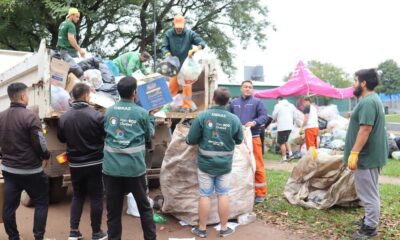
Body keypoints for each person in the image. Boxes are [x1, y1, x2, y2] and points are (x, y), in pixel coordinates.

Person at [102, 77, 156, 240]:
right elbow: (150, 135)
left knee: (114, 211)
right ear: (134, 92)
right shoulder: (142, 113)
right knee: (144, 208)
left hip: (111, 170)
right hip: (135, 170)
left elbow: (105, 131)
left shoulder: (109, 111)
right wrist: (151, 116)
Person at [186, 88, 243, 238]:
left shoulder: (203, 116)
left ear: (213, 99)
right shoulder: (234, 119)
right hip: (225, 165)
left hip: (205, 164)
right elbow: (239, 140)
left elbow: (191, 140)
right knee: (223, 194)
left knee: (205, 195)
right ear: (228, 101)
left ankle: (202, 229)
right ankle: (224, 228)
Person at [0, 83, 50, 240]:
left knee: (9, 206)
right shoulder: (30, 116)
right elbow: (40, 143)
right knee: (41, 201)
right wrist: (46, 156)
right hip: (31, 171)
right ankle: (39, 237)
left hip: (9, 170)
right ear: (22, 96)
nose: (28, 97)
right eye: (27, 94)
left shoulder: (1, 116)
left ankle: (13, 237)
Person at [57, 83, 107, 240]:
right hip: (95, 163)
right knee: (96, 197)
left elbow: (61, 138)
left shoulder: (64, 117)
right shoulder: (97, 116)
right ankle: (96, 233)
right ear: (86, 96)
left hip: (75, 163)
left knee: (78, 195)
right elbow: (104, 136)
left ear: (74, 96)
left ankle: (73, 231)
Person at [344, 69, 388, 239]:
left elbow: (365, 128)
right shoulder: (371, 100)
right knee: (371, 190)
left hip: (366, 156)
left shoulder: (368, 101)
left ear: (363, 83)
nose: (353, 84)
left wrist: (354, 152)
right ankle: (370, 219)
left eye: (355, 81)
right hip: (372, 155)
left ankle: (370, 228)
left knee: (368, 194)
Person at [229, 80, 268, 203]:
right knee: (238, 164)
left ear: (253, 90)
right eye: (245, 87)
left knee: (258, 165)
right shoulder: (233, 103)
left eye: (250, 87)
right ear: (241, 88)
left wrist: (255, 122)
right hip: (237, 139)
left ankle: (260, 193)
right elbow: (228, 116)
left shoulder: (257, 102)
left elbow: (264, 116)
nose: (248, 89)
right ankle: (239, 191)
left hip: (254, 137)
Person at [161, 14, 206, 111]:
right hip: (174, 64)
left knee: (187, 86)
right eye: (177, 28)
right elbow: (164, 46)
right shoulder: (168, 34)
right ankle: (169, 106)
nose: (179, 30)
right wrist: (167, 53)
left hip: (186, 66)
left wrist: (196, 49)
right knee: (172, 85)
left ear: (184, 25)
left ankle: (187, 106)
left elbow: (202, 42)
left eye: (180, 28)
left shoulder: (190, 34)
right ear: (173, 24)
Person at [272, 96, 296, 162]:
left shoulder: (278, 105)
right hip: (290, 126)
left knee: (281, 143)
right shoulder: (292, 105)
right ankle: (291, 155)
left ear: (279, 99)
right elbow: (295, 116)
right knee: (286, 140)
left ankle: (284, 158)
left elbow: (274, 116)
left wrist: (275, 119)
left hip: (282, 127)